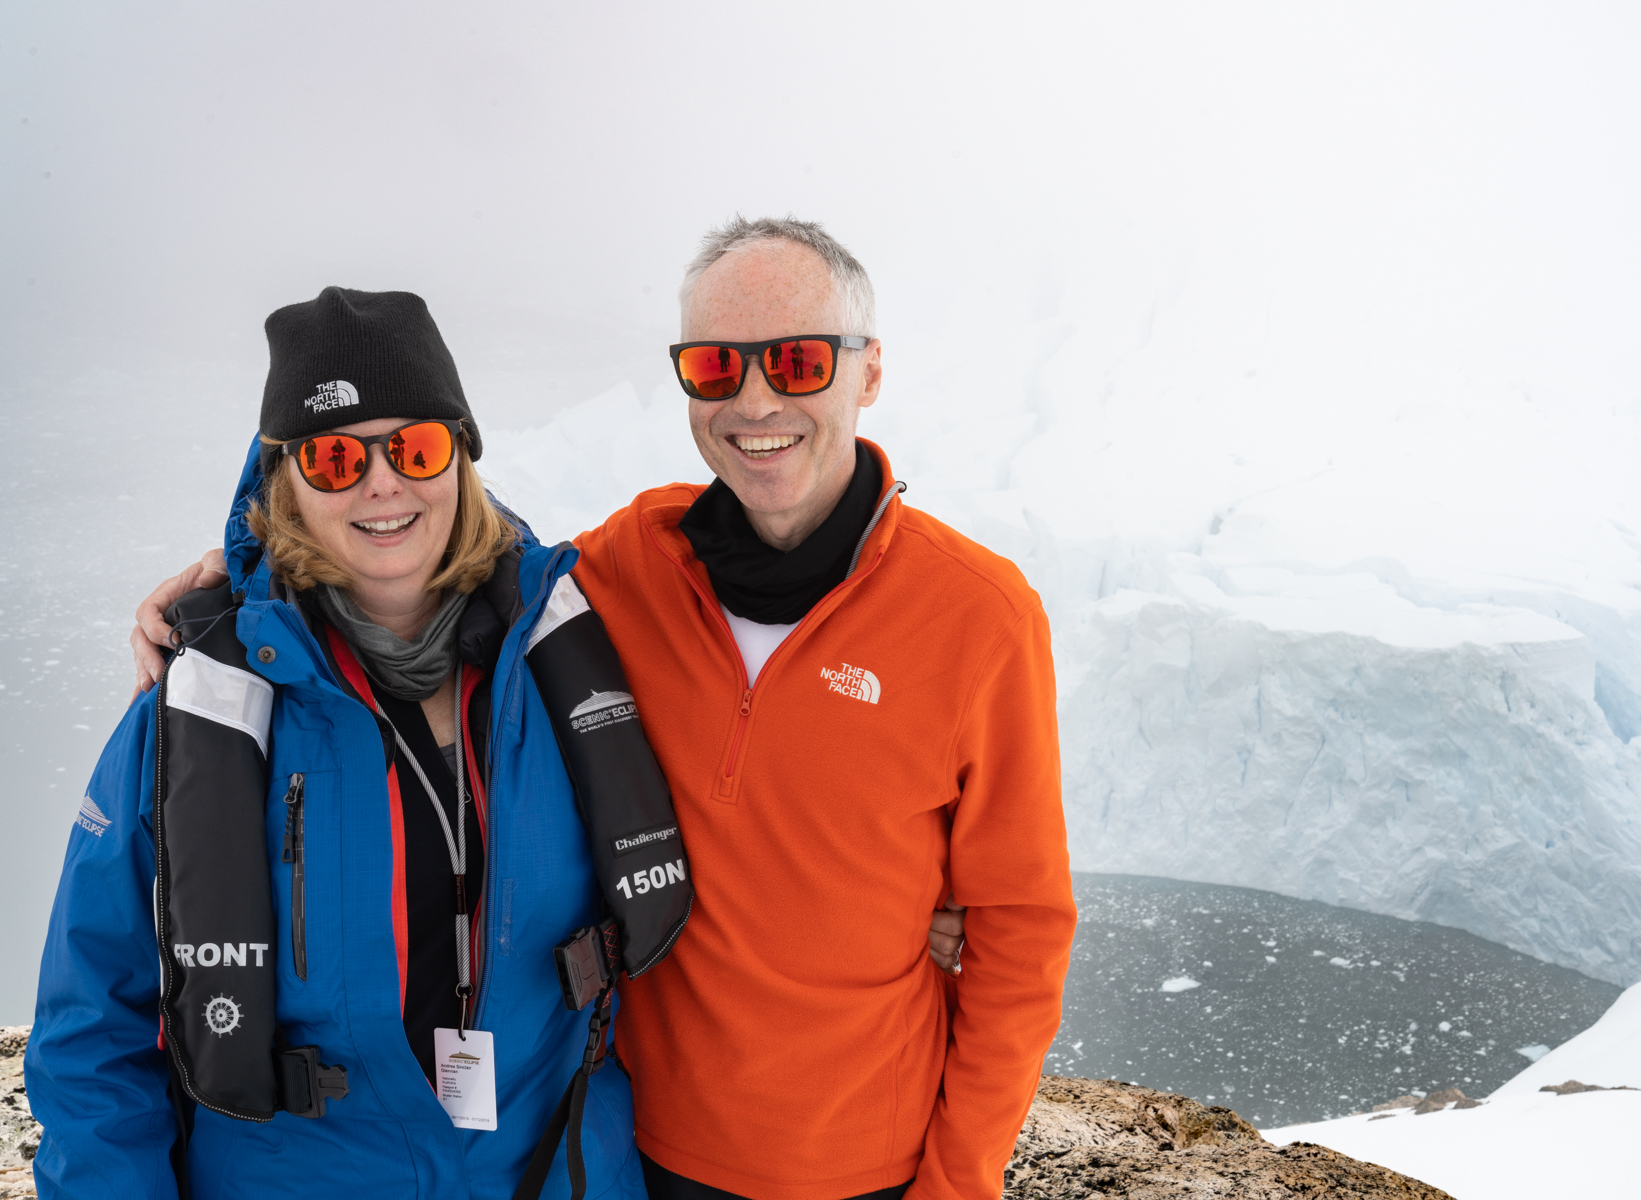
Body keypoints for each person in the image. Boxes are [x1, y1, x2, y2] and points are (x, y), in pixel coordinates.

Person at [133, 219, 1068, 1200]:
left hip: (863, 1167)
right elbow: (429, 559)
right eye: (715, 366)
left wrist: (958, 1184)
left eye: (795, 362)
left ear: (867, 372)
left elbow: (1021, 932)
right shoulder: (627, 571)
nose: (755, 400)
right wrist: (240, 580)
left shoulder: (979, 617)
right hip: (634, 1149)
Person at [37, 287, 648, 1199]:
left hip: (551, 1167)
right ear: (287, 484)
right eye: (332, 458)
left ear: (462, 460)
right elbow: (92, 1032)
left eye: (417, 446)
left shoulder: (573, 660)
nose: (382, 483)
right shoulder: (199, 710)